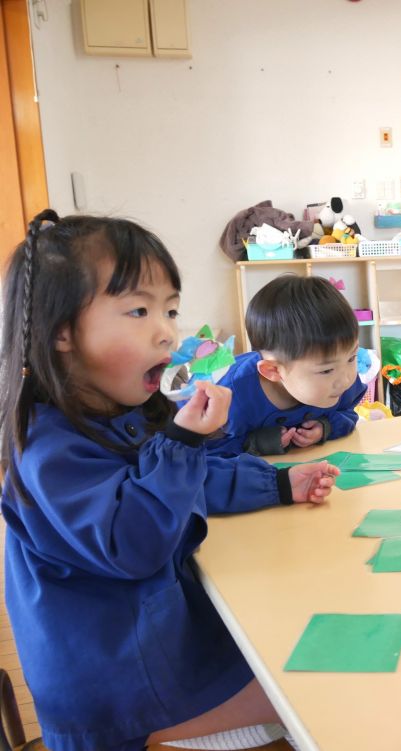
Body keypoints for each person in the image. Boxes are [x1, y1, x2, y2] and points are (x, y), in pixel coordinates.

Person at [0, 211, 338, 751]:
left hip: (156, 643)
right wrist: (180, 444)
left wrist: (277, 485)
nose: (167, 331)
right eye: (139, 310)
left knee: (297, 636)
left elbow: (189, 483)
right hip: (116, 697)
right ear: (61, 333)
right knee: (316, 689)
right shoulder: (45, 450)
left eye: (171, 310)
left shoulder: (115, 411)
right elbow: (134, 542)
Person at [210, 275, 367, 455]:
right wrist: (257, 443)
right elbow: (203, 452)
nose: (346, 379)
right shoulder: (230, 398)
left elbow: (348, 413)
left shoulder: (339, 379)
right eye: (326, 370)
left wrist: (327, 427)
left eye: (352, 357)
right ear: (273, 370)